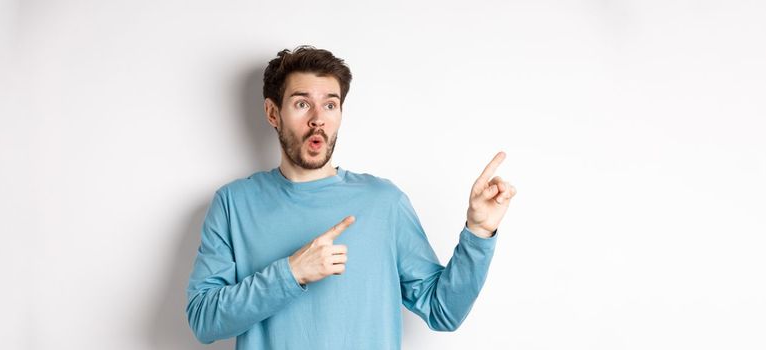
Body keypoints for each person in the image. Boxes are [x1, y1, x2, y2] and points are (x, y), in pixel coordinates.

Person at [185, 45, 517, 349]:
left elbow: (444, 311)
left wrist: (479, 232)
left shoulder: (384, 202)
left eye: (330, 104)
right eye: (302, 103)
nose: (318, 118)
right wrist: (291, 273)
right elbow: (203, 320)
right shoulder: (233, 204)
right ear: (273, 113)